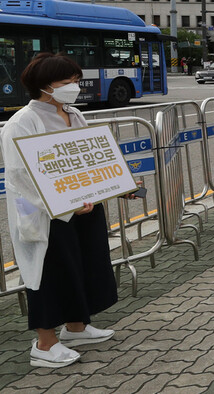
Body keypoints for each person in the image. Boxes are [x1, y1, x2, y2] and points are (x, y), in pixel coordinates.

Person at [0, 53, 140, 368]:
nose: (74, 87)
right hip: (47, 216)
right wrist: (66, 205)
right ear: (44, 86)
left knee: (85, 262)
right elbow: (21, 179)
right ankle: (45, 345)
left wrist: (123, 186)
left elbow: (94, 159)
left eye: (75, 81)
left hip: (84, 207)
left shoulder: (73, 114)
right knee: (51, 272)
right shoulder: (23, 122)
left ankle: (76, 326)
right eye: (66, 83)